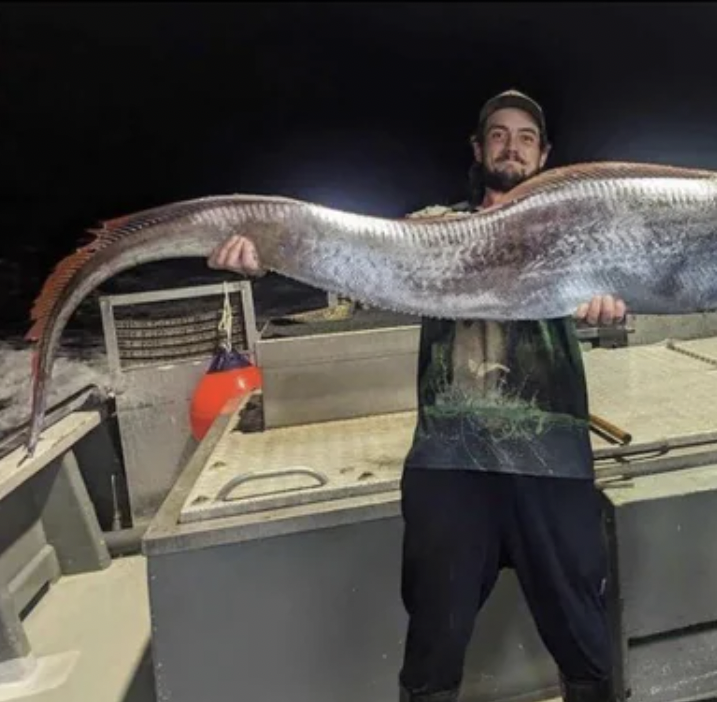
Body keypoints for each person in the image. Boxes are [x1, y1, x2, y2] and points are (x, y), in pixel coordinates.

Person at [207, 88, 624, 702]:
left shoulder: (578, 233)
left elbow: (628, 286)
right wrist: (262, 254)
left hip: (553, 460)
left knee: (584, 640)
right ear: (478, 148)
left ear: (546, 157)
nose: (512, 146)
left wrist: (610, 306)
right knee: (434, 646)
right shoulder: (432, 228)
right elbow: (348, 253)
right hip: (449, 464)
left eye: (526, 137)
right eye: (500, 134)